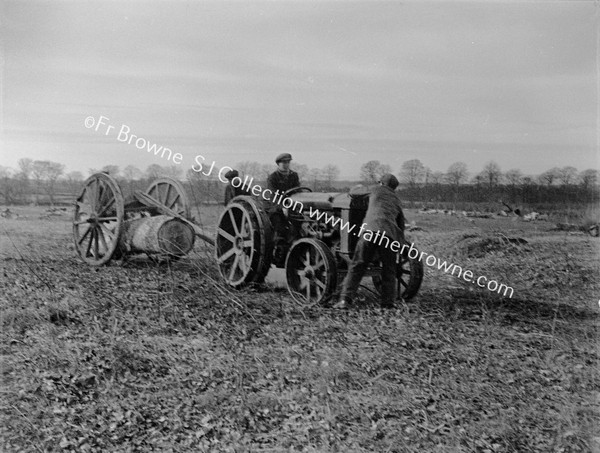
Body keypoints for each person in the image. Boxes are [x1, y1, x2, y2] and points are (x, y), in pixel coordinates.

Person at [335, 173, 406, 309]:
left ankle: (345, 300)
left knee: (357, 266)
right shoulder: (397, 200)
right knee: (389, 270)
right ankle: (387, 304)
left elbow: (354, 192)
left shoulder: (376, 189)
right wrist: (399, 244)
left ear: (381, 183)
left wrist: (360, 186)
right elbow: (401, 224)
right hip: (389, 235)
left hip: (371, 231)